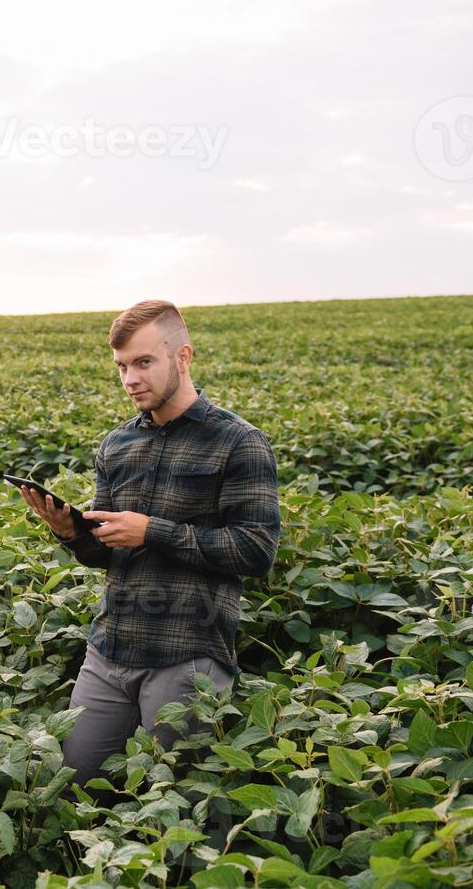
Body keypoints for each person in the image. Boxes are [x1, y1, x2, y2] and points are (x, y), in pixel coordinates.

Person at [18, 299, 281, 804]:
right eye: (121, 366)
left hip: (189, 655)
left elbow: (255, 551)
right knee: (74, 789)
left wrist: (153, 531)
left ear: (182, 357)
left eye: (143, 362)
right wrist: (71, 533)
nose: (130, 378)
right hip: (109, 647)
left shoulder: (239, 443)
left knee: (176, 804)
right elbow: (107, 553)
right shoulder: (116, 445)